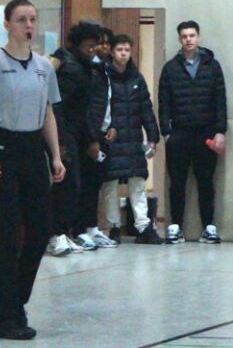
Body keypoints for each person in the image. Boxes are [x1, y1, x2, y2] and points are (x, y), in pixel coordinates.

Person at [0, 0, 66, 341]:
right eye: (22, 19)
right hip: (3, 151)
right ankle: (6, 317)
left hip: (32, 150)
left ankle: (17, 298)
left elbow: (49, 113)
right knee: (6, 236)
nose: (29, 25)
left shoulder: (44, 67)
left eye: (33, 19)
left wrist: (55, 155)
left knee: (41, 229)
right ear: (7, 24)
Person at [159, 19, 228, 244]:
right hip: (179, 133)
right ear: (179, 39)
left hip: (206, 132)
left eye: (192, 35)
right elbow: (163, 102)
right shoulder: (170, 68)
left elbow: (220, 100)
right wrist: (166, 132)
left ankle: (208, 227)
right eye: (184, 36)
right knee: (177, 182)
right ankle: (176, 227)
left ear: (198, 37)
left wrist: (220, 131)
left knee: (206, 181)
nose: (188, 40)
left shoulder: (212, 66)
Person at [91, 34, 161, 244]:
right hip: (111, 139)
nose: (123, 53)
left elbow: (146, 109)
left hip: (133, 138)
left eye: (127, 50)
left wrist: (152, 137)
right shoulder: (103, 76)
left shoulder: (137, 78)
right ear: (112, 52)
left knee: (138, 182)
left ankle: (143, 227)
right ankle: (114, 227)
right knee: (110, 184)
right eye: (119, 49)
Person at [46, 21, 100, 257]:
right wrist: (58, 140)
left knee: (75, 186)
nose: (92, 50)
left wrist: (91, 138)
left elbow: (83, 108)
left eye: (94, 46)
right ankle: (55, 234)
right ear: (77, 45)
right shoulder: (68, 66)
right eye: (88, 46)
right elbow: (57, 104)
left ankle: (65, 232)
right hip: (63, 132)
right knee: (66, 185)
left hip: (75, 132)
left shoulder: (85, 66)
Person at [76, 26, 117, 250]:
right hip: (88, 135)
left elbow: (109, 102)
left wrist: (113, 125)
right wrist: (91, 138)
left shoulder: (105, 69)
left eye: (107, 43)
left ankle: (92, 227)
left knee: (95, 184)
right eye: (99, 43)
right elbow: (87, 107)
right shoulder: (88, 70)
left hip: (103, 133)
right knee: (83, 184)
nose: (103, 47)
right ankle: (79, 229)